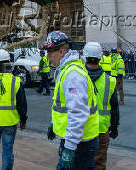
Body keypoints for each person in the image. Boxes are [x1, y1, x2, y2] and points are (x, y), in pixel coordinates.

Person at [44, 31, 99, 170]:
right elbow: (65, 106)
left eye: (50, 53)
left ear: (61, 51)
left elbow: (78, 113)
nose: (48, 57)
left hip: (80, 144)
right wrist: (54, 123)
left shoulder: (72, 75)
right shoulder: (67, 70)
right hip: (79, 141)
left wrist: (69, 148)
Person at [83, 42, 119, 170]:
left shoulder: (77, 76)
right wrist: (114, 126)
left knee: (80, 162)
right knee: (99, 163)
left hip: (81, 128)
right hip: (101, 128)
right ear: (101, 57)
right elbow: (114, 107)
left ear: (84, 56)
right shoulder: (110, 80)